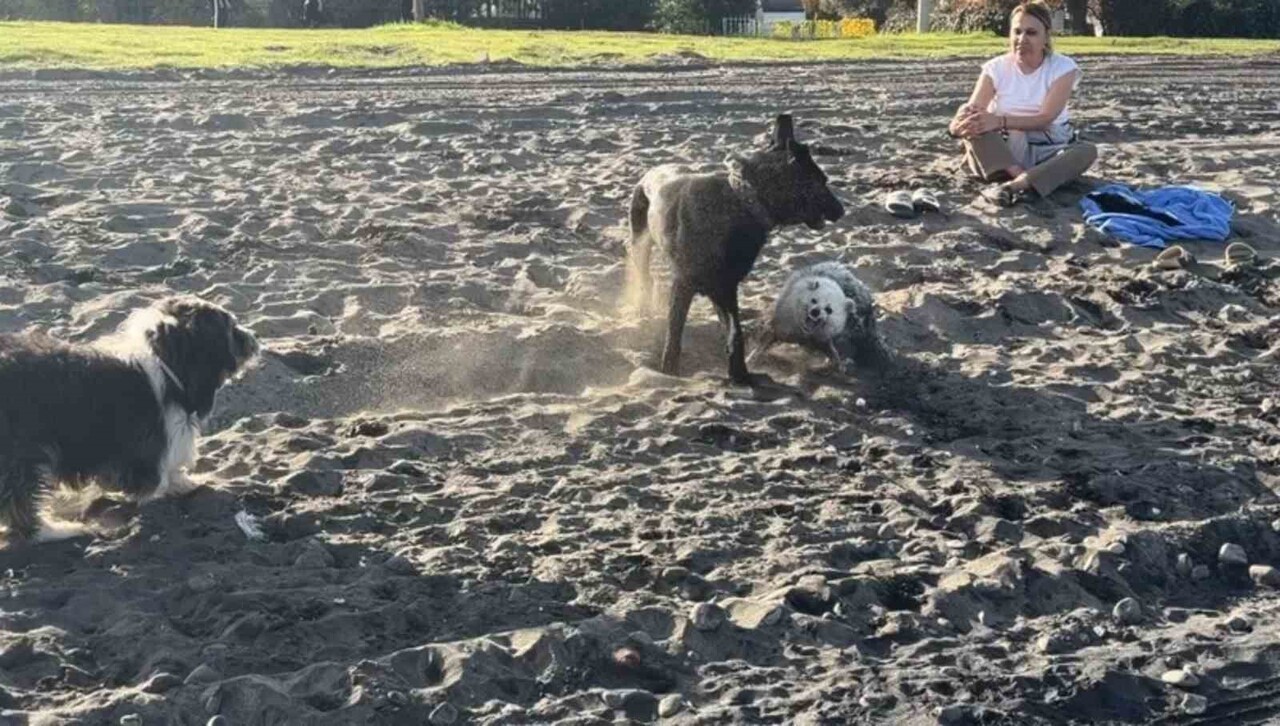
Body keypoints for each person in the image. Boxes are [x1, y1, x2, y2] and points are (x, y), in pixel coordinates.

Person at [948, 1, 1097, 206]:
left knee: (1087, 151)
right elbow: (972, 113)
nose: (1022, 39)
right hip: (1003, 148)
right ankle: (1022, 176)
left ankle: (1013, 186)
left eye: (1031, 33)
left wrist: (999, 121)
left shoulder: (1063, 68)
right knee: (976, 125)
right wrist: (959, 122)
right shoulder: (995, 68)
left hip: (1047, 146)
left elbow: (1045, 119)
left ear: (1046, 37)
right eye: (1017, 32)